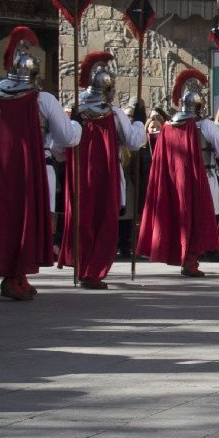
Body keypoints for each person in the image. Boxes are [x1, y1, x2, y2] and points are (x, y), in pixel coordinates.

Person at [0, 28, 81, 301]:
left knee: (0, 219)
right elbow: (67, 137)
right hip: (26, 167)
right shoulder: (42, 99)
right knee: (22, 219)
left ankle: (15, 276)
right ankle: (16, 276)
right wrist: (77, 125)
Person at [60, 52, 145, 289]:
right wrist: (139, 120)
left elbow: (58, 144)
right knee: (102, 220)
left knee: (82, 218)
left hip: (78, 175)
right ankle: (92, 271)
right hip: (105, 174)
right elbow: (134, 142)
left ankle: (82, 267)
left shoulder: (73, 109)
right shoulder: (114, 113)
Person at [140, 70, 219, 278]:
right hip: (203, 178)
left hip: (175, 181)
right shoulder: (205, 125)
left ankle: (187, 258)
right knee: (199, 219)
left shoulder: (168, 127)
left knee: (183, 219)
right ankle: (191, 260)